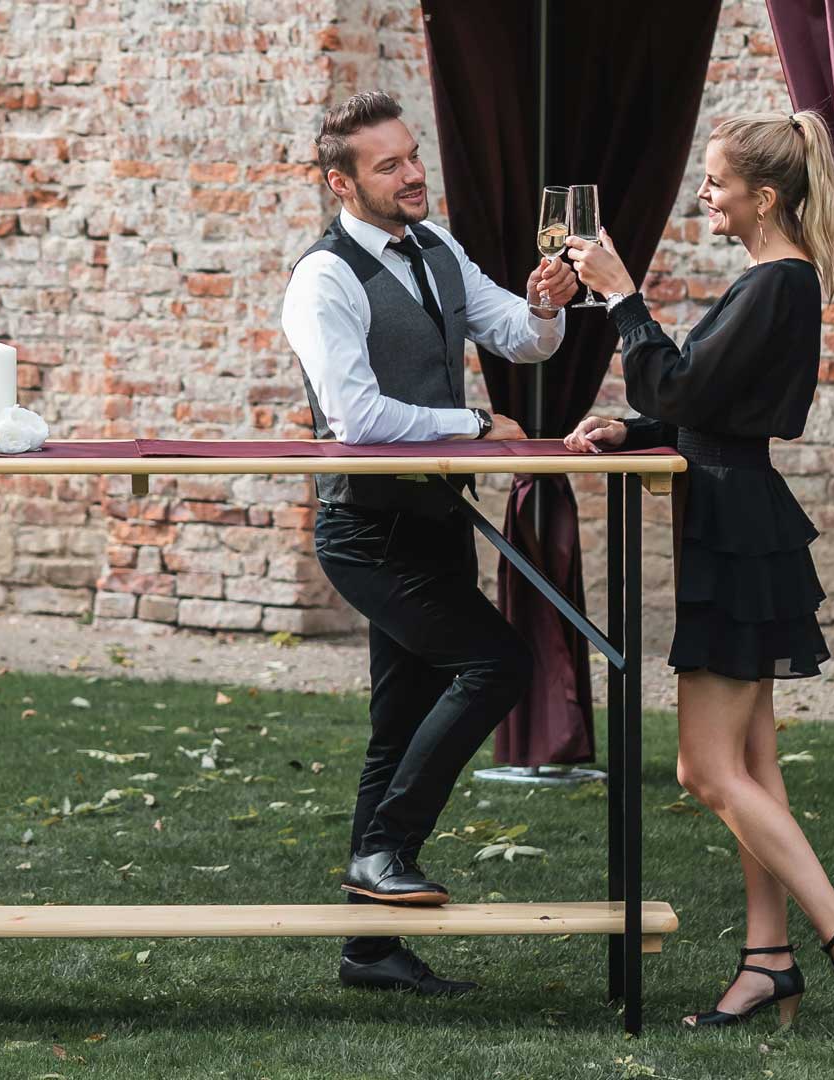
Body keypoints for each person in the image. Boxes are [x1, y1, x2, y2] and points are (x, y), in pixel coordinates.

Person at [563, 110, 834, 1035]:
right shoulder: (774, 284)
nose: (706, 197)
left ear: (764, 196)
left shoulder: (778, 285)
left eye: (718, 183)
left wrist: (620, 295)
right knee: (754, 764)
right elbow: (704, 407)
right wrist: (631, 429)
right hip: (739, 524)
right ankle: (767, 962)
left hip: (733, 537)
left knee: (704, 769)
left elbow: (681, 388)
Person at [280, 89, 578, 996]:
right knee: (497, 663)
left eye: (413, 156)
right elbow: (355, 417)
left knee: (395, 726)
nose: (413, 175)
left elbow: (520, 339)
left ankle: (368, 950)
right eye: (389, 165)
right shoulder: (323, 278)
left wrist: (547, 303)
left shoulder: (438, 248)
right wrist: (473, 422)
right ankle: (383, 851)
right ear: (342, 182)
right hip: (365, 531)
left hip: (441, 521)